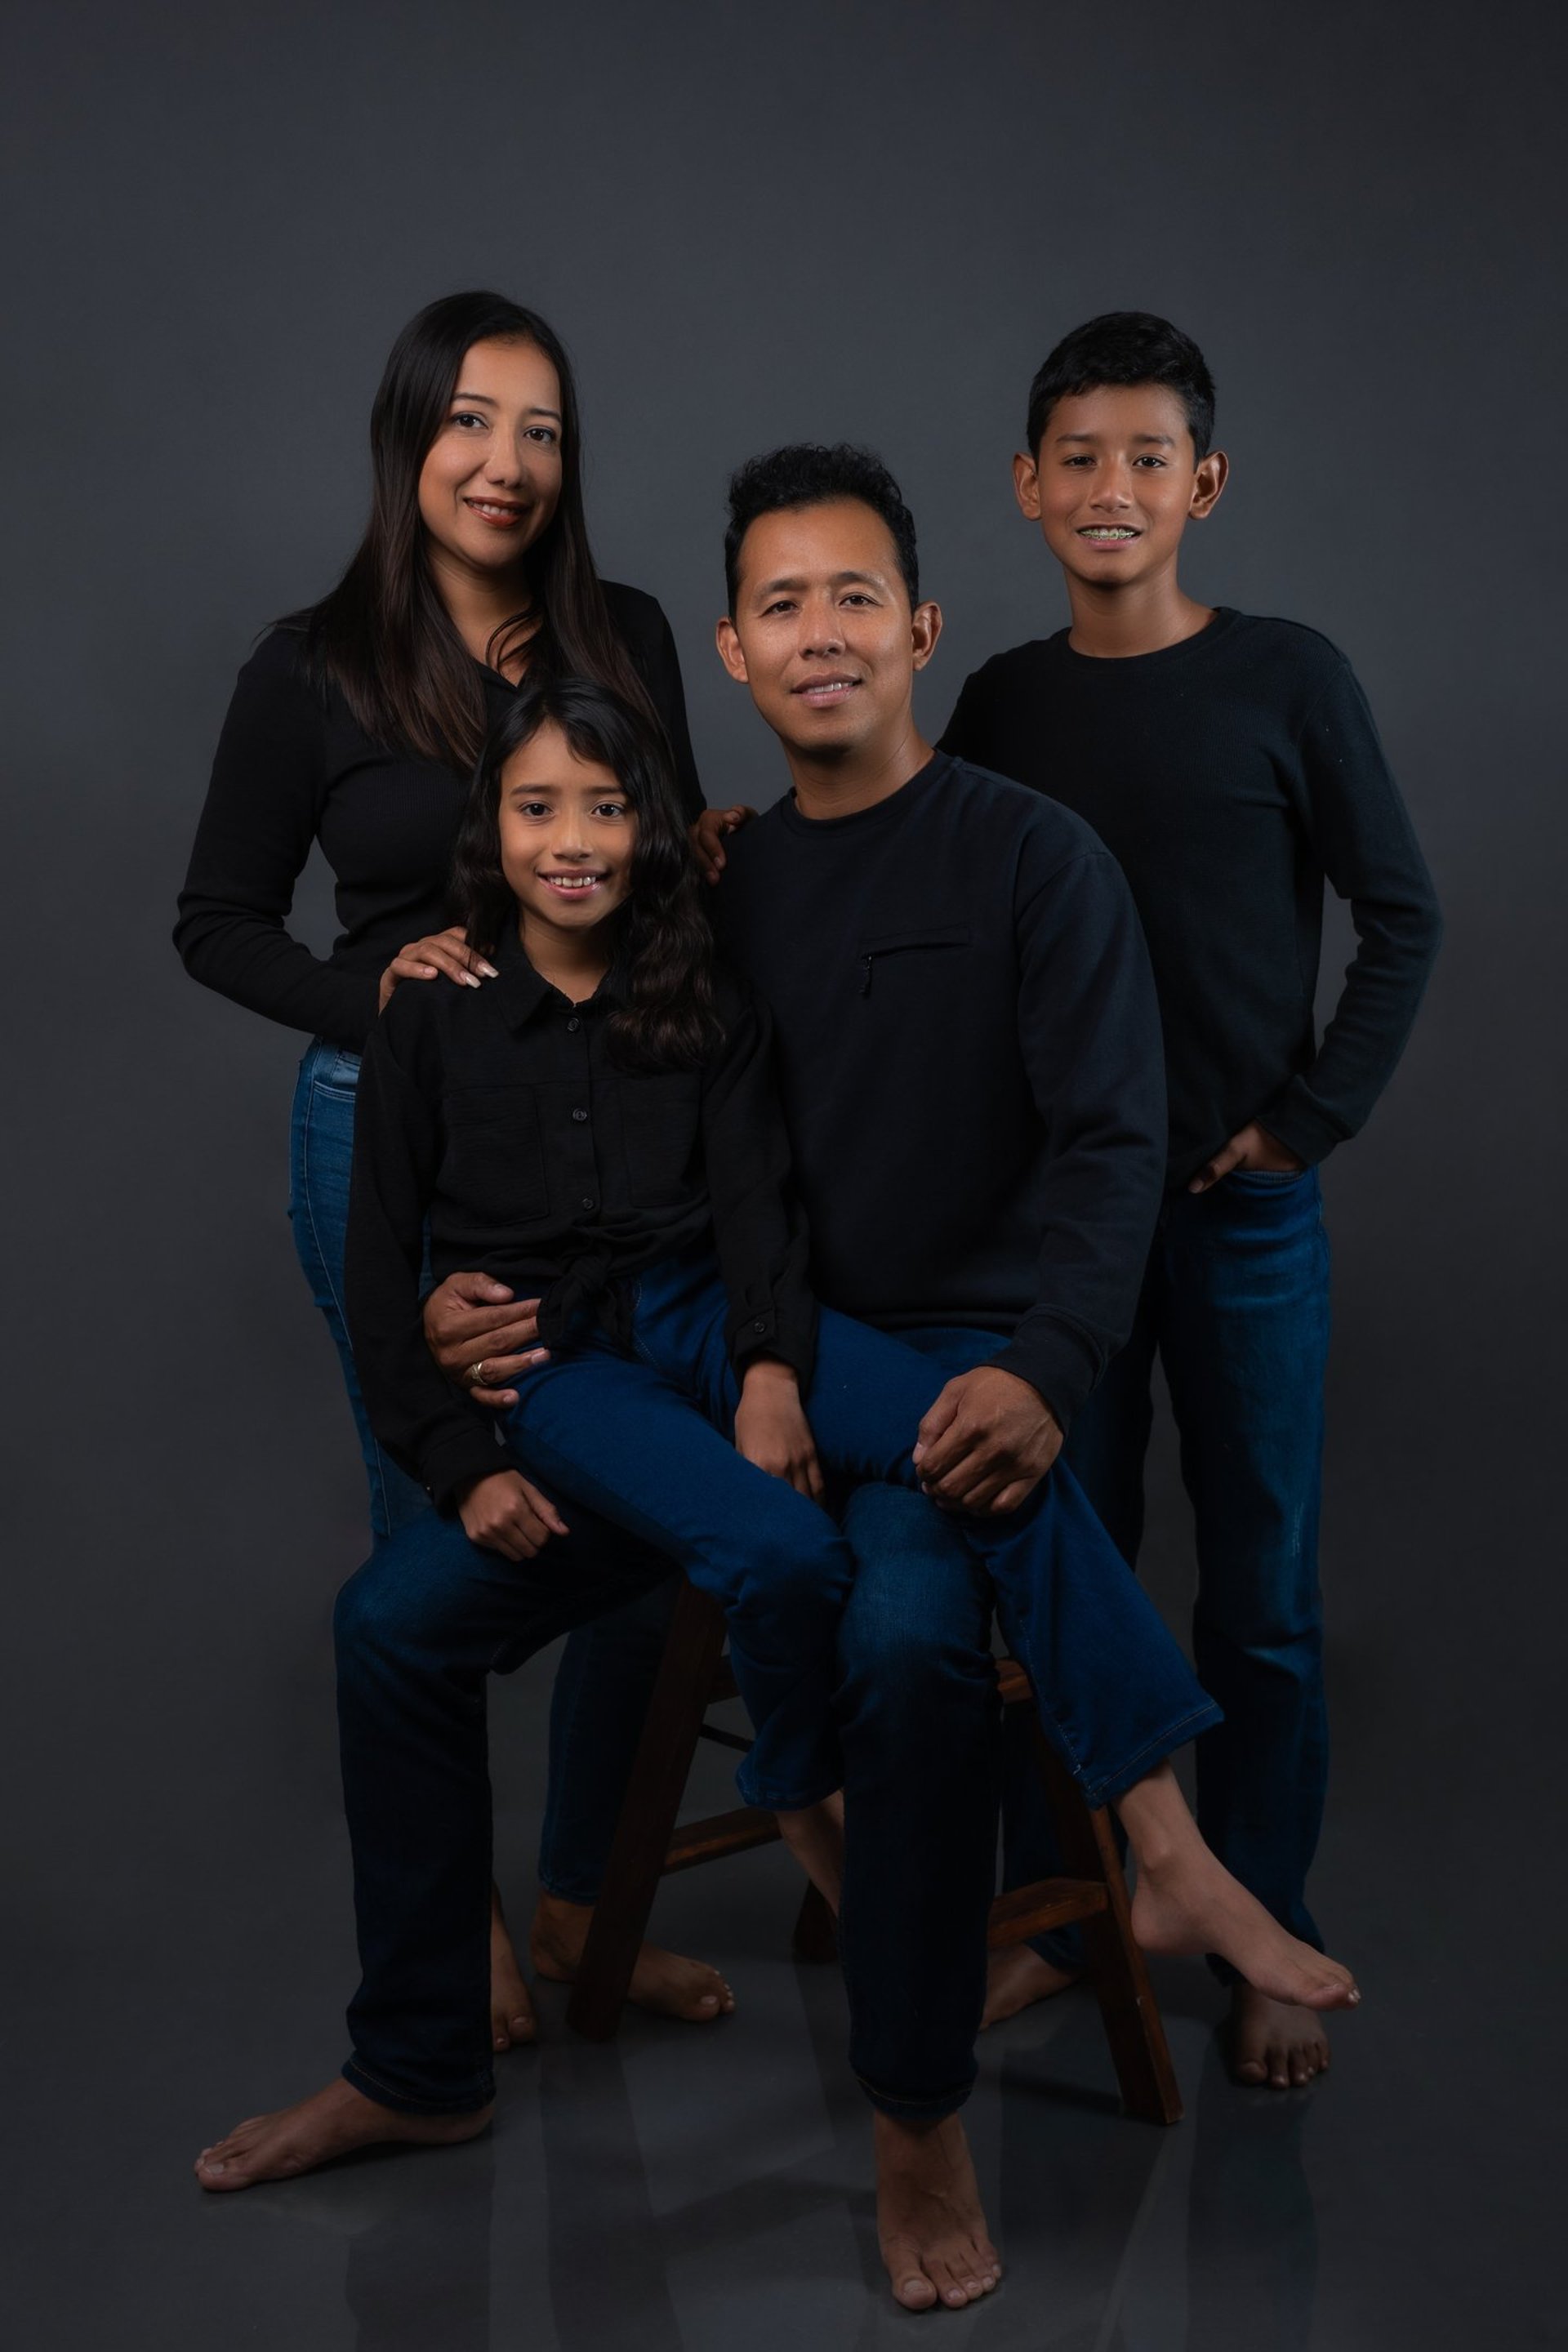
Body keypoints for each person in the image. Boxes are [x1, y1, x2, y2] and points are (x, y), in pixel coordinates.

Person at [194, 673, 1360, 2317]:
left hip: (727, 1334)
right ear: (489, 834)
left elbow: (756, 1209)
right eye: (535, 811)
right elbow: (388, 1286)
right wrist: (458, 1463)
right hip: (575, 1387)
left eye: (608, 810)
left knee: (986, 1431)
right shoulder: (429, 1009)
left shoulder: (703, 980)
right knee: (407, 1624)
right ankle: (426, 2053)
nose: (575, 840)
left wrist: (762, 1366)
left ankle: (1162, 1839)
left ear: (662, 833)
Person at [174, 288, 737, 2045]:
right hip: (395, 1137)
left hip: (620, 1122)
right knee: (437, 1519)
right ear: (409, 436)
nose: (506, 464)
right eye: (472, 421)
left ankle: (583, 1901)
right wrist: (381, 993)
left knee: (648, 1517)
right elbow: (215, 921)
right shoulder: (313, 664)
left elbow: (677, 893)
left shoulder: (626, 630)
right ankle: (456, 1942)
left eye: (543, 430)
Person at [940, 311, 1442, 2091]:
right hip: (1061, 1220)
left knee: (1263, 1588)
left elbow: (1404, 918)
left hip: (1241, 1213)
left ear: (1204, 485)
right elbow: (949, 913)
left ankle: (1263, 1929)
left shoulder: (1289, 678)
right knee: (1057, 1561)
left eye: (1148, 459)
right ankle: (1064, 1918)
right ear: (1024, 484)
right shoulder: (999, 701)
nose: (1110, 488)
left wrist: (1308, 1122)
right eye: (1076, 457)